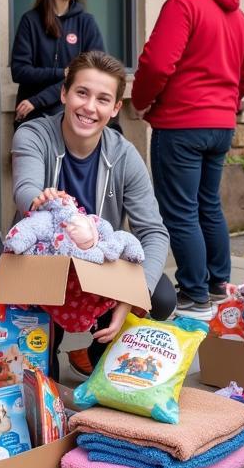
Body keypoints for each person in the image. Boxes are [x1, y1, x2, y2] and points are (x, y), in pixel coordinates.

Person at [11, 51, 173, 379]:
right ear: (64, 93)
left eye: (103, 99)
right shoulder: (33, 135)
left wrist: (130, 297)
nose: (89, 107)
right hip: (45, 258)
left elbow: (155, 233)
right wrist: (41, 198)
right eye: (82, 93)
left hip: (100, 264)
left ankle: (100, 359)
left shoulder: (124, 155)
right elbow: (24, 188)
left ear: (115, 109)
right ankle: (41, 375)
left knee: (161, 295)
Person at [131, 0, 244, 319]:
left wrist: (141, 102)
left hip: (181, 124)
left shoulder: (182, 3)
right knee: (208, 204)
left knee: (181, 210)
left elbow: (155, 65)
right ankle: (218, 283)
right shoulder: (238, 16)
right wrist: (226, 102)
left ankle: (195, 291)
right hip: (220, 126)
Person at [11, 0, 104, 123]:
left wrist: (40, 99)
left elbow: (89, 74)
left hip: (70, 113)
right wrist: (61, 72)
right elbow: (19, 71)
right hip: (31, 114)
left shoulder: (86, 22)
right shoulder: (30, 21)